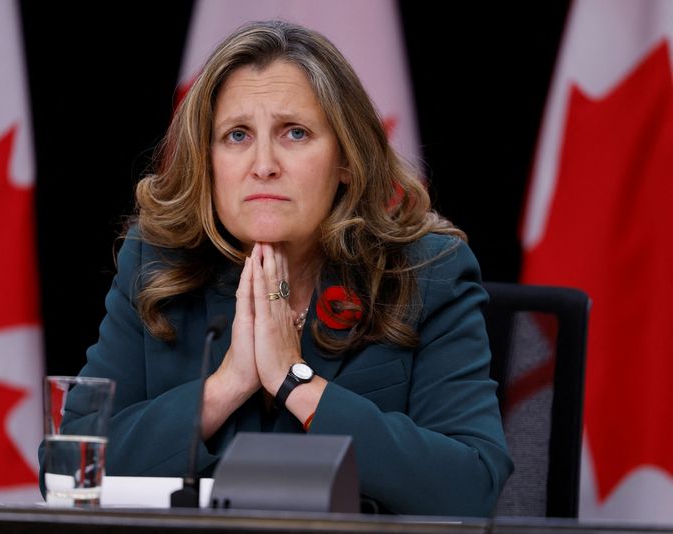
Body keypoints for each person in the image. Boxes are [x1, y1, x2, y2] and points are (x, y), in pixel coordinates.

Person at [63, 20, 513, 515]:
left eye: (294, 133)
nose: (263, 164)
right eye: (236, 135)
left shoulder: (425, 270)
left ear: (346, 159)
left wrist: (295, 381)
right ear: (207, 164)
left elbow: (471, 486)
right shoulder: (158, 262)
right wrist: (228, 383)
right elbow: (67, 470)